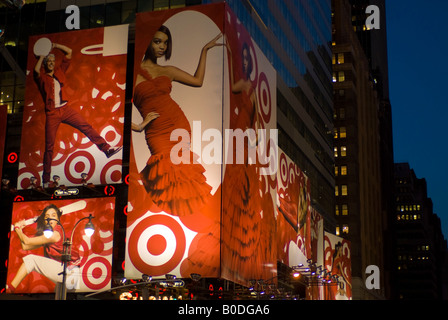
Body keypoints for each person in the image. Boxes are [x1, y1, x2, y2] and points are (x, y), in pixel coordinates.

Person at [131, 25, 223, 217]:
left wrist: (204, 50)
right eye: (157, 41)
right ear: (146, 42)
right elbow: (117, 114)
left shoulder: (168, 70)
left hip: (178, 125)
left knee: (183, 176)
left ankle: (187, 222)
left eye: (165, 43)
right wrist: (138, 126)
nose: (162, 46)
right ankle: (166, 223)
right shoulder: (130, 72)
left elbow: (198, 81)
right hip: (156, 132)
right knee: (164, 176)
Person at [33, 42, 122, 188]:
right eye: (48, 62)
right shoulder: (41, 78)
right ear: (44, 64)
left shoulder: (59, 71)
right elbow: (36, 70)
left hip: (65, 109)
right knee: (49, 146)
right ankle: (45, 179)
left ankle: (106, 149)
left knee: (86, 126)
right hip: (52, 113)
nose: (51, 63)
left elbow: (69, 51)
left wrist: (54, 45)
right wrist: (42, 54)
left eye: (52, 61)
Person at [7, 204, 80, 293]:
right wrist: (20, 230)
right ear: (45, 221)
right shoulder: (48, 235)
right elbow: (25, 246)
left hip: (71, 274)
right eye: (47, 216)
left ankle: (10, 289)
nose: (50, 219)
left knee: (31, 259)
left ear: (58, 219)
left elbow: (27, 241)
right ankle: (10, 289)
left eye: (53, 216)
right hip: (65, 274)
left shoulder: (55, 235)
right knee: (58, 294)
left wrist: (17, 228)